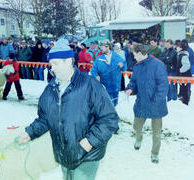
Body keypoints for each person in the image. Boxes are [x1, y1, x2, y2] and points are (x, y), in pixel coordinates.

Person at [17, 39, 119, 180]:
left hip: (87, 156)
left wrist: (90, 142)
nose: (51, 68)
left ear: (69, 61)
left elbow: (109, 119)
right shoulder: (50, 90)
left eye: (55, 63)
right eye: (51, 64)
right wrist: (30, 133)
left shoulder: (90, 85)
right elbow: (45, 118)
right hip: (64, 154)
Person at [126, 44, 169, 164]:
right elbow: (133, 81)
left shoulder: (158, 64)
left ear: (140, 53)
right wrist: (130, 88)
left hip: (156, 103)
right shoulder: (137, 66)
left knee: (156, 132)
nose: (134, 58)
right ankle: (138, 139)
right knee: (136, 126)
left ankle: (155, 153)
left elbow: (163, 85)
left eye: (134, 55)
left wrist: (157, 99)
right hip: (141, 102)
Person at [90, 41, 127, 106]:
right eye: (100, 47)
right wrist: (96, 76)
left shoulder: (116, 57)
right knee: (108, 105)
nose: (101, 48)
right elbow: (93, 71)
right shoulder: (99, 59)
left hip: (115, 85)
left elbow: (124, 67)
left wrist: (122, 65)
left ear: (108, 47)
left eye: (102, 47)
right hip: (105, 86)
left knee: (115, 104)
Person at [176, 41, 192, 105]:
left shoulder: (183, 55)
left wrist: (180, 71)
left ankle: (185, 101)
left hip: (185, 75)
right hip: (182, 75)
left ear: (181, 48)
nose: (176, 47)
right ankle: (183, 99)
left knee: (186, 88)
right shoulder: (180, 54)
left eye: (177, 46)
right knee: (182, 87)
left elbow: (187, 65)